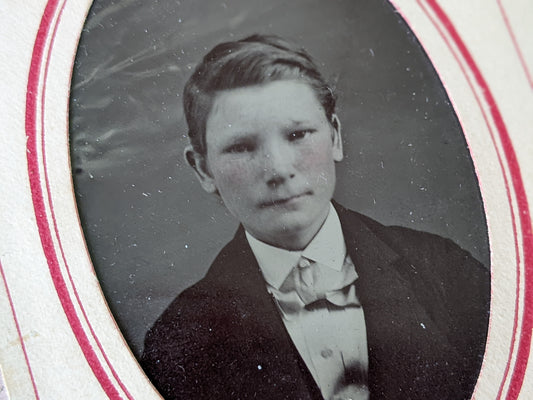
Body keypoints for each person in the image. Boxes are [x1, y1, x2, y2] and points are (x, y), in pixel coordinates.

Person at [141, 34, 490, 400]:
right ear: (202, 169)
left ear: (335, 137)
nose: (277, 169)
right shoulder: (179, 341)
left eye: (297, 134)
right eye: (241, 147)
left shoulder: (445, 272)